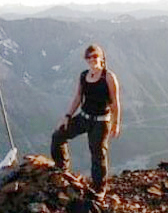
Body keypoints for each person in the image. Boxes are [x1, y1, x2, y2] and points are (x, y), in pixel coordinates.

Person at [51, 44, 121, 200]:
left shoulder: (108, 77)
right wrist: (68, 116)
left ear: (101, 58)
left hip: (101, 121)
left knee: (98, 154)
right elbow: (78, 97)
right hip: (84, 117)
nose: (92, 60)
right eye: (88, 57)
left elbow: (115, 102)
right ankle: (62, 169)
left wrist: (116, 124)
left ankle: (99, 189)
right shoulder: (84, 76)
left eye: (95, 56)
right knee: (58, 136)